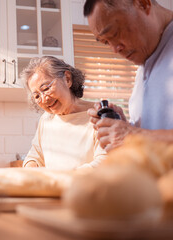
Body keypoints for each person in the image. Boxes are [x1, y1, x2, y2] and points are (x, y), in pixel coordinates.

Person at [84, 0, 173, 152]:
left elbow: (143, 137)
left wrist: (135, 137)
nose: (115, 49)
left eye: (116, 33)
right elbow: (153, 132)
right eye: (106, 42)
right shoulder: (146, 60)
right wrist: (124, 125)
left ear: (143, 4)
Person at [20, 56, 106, 170]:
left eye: (46, 89)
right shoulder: (46, 119)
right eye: (36, 96)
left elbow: (105, 161)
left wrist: (63, 179)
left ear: (67, 79)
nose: (44, 99)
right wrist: (31, 167)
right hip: (56, 186)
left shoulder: (100, 114)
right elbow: (35, 155)